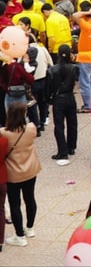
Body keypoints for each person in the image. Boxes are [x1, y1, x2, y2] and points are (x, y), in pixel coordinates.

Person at [1, 103, 40, 247]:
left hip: (13, 173)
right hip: (30, 169)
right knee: (30, 199)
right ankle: (30, 228)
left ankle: (19, 235)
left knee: (15, 204)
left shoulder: (4, 132)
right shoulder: (31, 128)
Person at [47, 44, 79, 166]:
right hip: (70, 97)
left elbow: (49, 87)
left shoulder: (52, 70)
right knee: (72, 123)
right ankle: (71, 146)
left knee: (59, 125)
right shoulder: (74, 68)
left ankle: (62, 150)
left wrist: (49, 99)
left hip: (58, 99)